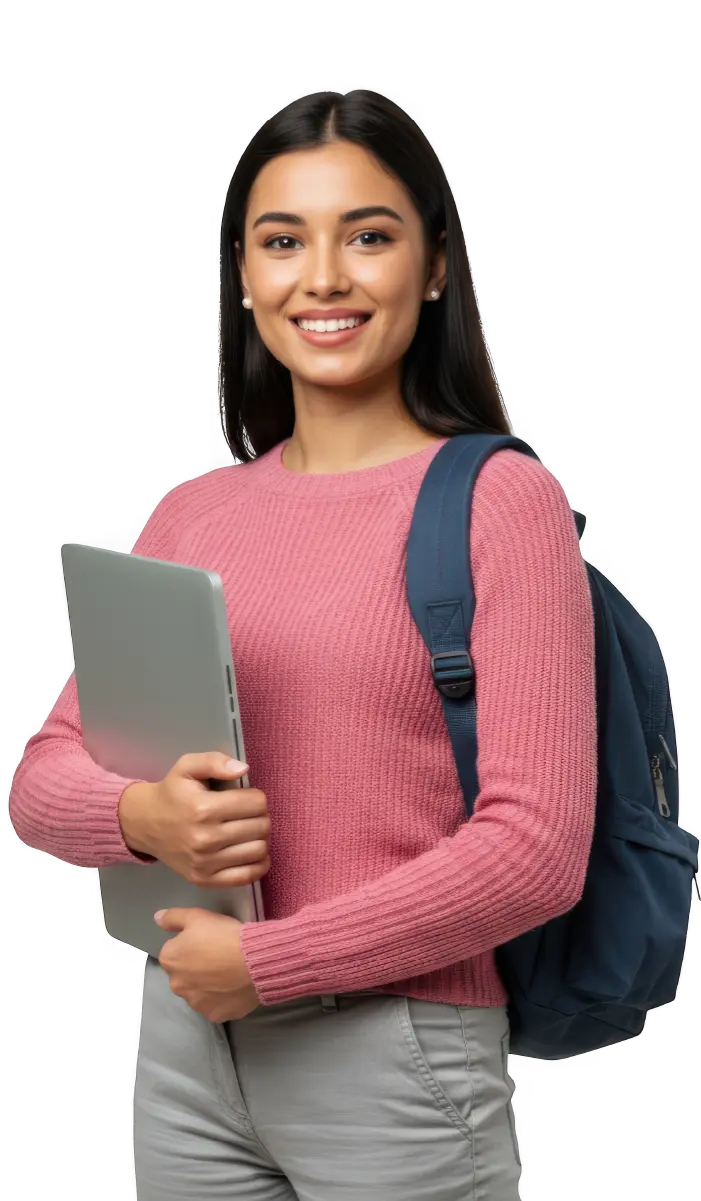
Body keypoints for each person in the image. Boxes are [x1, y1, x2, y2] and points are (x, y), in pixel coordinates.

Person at [8, 88, 597, 1199]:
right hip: (185, 1041)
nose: (320, 277)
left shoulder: (498, 499)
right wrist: (142, 815)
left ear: (433, 267)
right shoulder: (192, 511)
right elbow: (42, 778)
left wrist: (267, 964)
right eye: (282, 241)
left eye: (367, 236)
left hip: (392, 1054)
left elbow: (535, 848)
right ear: (242, 273)